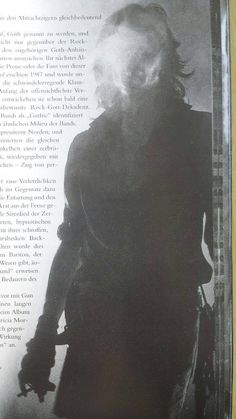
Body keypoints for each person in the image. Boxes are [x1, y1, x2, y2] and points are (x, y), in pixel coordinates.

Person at [18, 4, 213, 419]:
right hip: (95, 324)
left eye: (146, 50)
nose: (134, 64)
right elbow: (71, 243)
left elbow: (226, 248)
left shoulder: (202, 138)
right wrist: (41, 338)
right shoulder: (85, 148)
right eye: (124, 51)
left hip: (167, 326)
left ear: (165, 57)